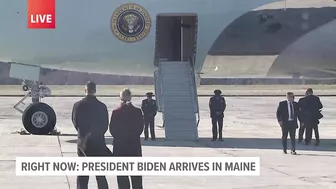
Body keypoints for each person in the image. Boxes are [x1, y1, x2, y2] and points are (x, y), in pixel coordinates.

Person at [72, 81, 111, 189]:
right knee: (100, 176)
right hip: (98, 144)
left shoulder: (77, 105)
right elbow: (105, 126)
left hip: (83, 144)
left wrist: (83, 134)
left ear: (85, 90)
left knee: (82, 177)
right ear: (95, 91)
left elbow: (76, 123)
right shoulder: (102, 106)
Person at [109, 88, 144, 189]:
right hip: (134, 149)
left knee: (122, 180)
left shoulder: (116, 112)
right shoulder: (137, 112)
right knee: (137, 180)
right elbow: (140, 128)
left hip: (120, 149)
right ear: (131, 97)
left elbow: (112, 130)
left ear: (120, 98)